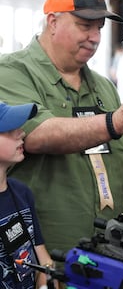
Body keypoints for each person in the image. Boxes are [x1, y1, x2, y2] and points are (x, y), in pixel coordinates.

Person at [0, 0, 123, 257]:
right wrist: (112, 122)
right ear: (52, 22)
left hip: (107, 259)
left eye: (99, 27)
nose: (95, 37)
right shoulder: (12, 72)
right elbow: (37, 135)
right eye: (85, 26)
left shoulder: (103, 86)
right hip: (45, 259)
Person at [0, 102, 54, 288]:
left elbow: (42, 258)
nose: (22, 133)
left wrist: (46, 282)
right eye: (9, 129)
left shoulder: (22, 192)